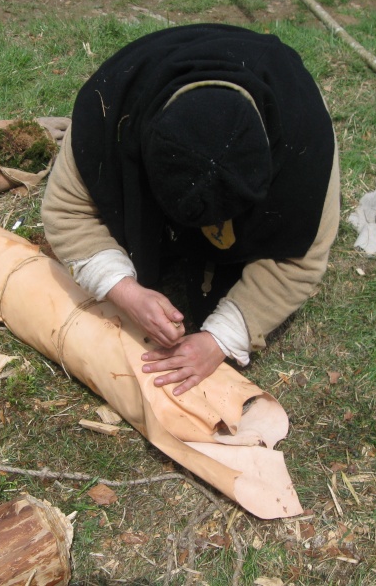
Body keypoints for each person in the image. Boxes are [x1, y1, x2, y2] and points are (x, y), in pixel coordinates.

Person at [41, 23, 340, 396]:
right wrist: (125, 290)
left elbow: (299, 260)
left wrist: (221, 338)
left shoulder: (305, 140)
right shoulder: (112, 102)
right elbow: (66, 211)